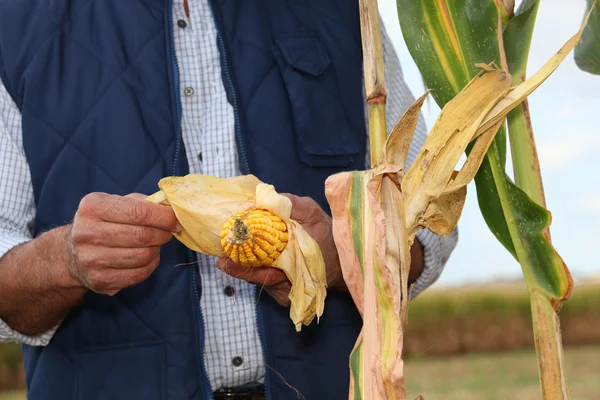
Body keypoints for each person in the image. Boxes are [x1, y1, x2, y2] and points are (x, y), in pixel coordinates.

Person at [0, 1, 457, 399]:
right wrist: (66, 261)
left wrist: (348, 254)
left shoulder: (347, 11)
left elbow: (429, 221)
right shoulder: (16, 25)